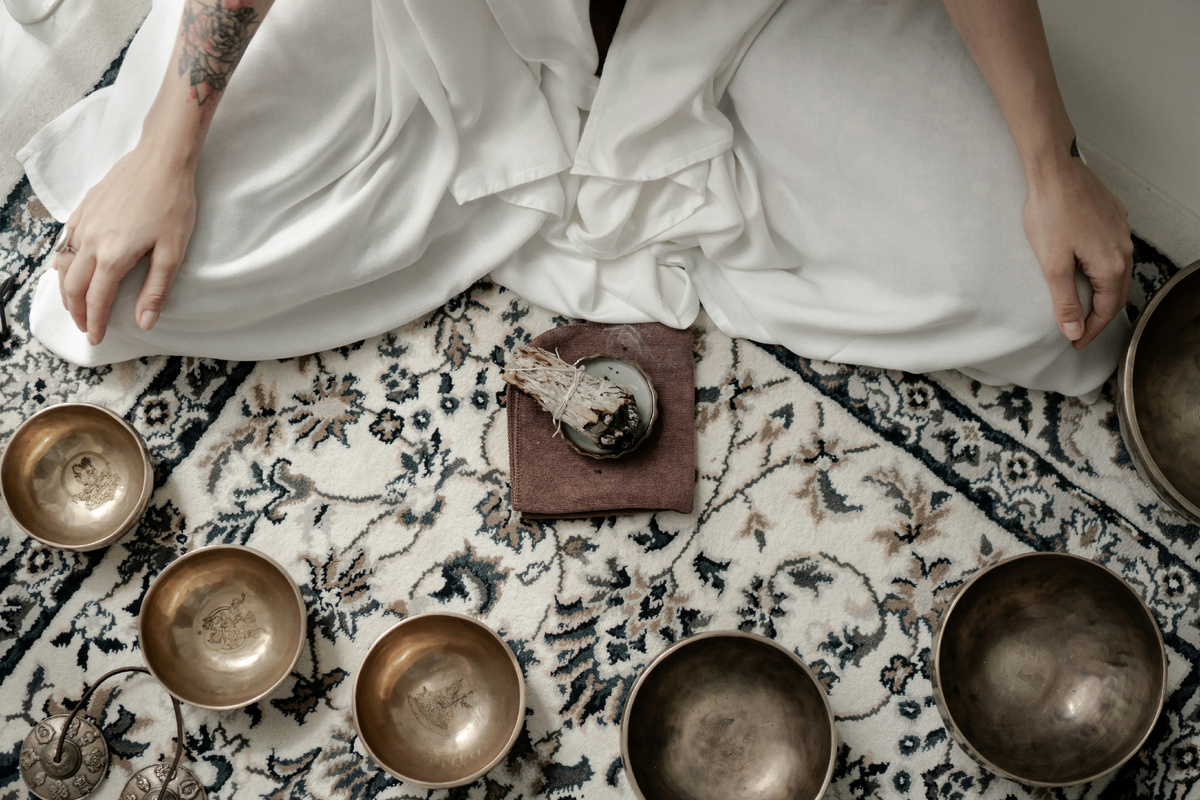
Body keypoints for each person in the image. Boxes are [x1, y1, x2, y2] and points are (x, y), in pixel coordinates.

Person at [24, 0, 1133, 400]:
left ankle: (611, 161)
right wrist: (168, 152)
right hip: (450, 25)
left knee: (1047, 306)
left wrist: (1052, 167)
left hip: (725, 24)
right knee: (137, 287)